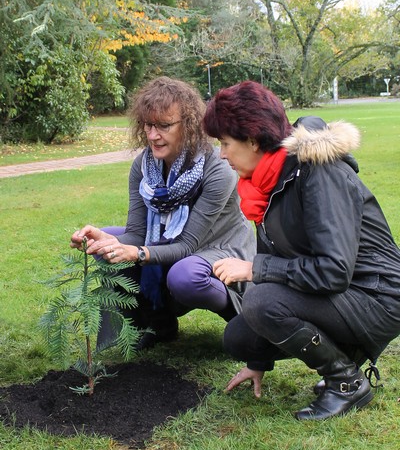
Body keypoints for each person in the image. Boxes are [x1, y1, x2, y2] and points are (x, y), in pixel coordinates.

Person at [202, 80, 400, 421]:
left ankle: (346, 383)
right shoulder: (264, 182)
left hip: (378, 295)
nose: (221, 154)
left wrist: (254, 269)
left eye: (225, 143)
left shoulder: (317, 172)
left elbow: (334, 271)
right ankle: (345, 357)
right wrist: (258, 362)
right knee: (240, 337)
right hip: (347, 292)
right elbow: (278, 258)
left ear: (252, 140)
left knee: (260, 301)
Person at [70, 76, 256, 351]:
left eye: (165, 126)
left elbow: (188, 245)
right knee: (108, 240)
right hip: (170, 243)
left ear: (190, 125)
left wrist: (140, 253)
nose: (153, 135)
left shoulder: (217, 169)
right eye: (149, 125)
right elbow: (136, 233)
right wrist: (103, 239)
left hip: (219, 246)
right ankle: (156, 323)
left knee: (185, 276)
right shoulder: (143, 166)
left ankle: (242, 318)